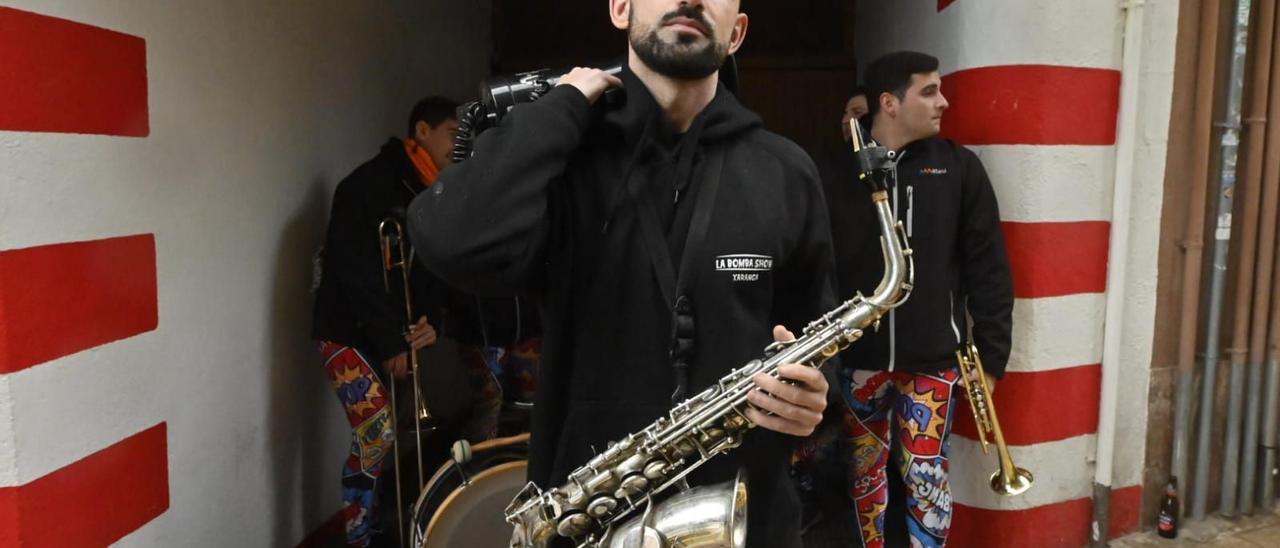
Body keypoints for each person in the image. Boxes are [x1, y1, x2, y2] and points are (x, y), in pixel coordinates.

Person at [407, 1, 839, 546]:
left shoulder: (786, 171)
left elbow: (822, 342)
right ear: (619, 8)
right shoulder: (563, 157)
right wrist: (562, 105)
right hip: (588, 520)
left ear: (738, 34)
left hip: (746, 519)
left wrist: (815, 399)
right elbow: (449, 238)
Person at [829, 51, 1013, 547]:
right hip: (858, 364)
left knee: (928, 486)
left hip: (934, 365)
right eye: (929, 91)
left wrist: (991, 361)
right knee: (863, 483)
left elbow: (989, 269)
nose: (943, 101)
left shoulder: (960, 168)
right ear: (888, 103)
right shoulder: (834, 170)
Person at [311, 95, 458, 547]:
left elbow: (431, 272)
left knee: (384, 434)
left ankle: (374, 523)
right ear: (421, 132)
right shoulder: (366, 185)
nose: (459, 143)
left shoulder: (432, 191)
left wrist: (430, 324)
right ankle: (358, 535)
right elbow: (356, 273)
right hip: (344, 330)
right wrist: (393, 340)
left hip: (387, 331)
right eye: (452, 132)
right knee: (377, 432)